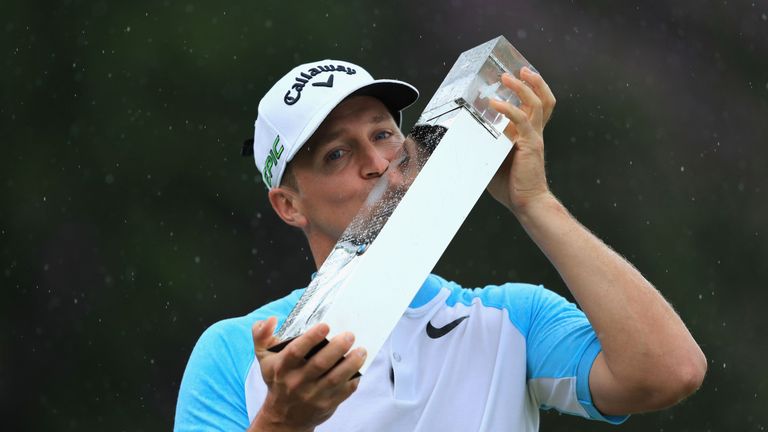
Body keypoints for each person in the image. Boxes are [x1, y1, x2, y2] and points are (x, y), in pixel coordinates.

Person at [174, 59, 706, 431]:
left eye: (384, 135)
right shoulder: (239, 350)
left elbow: (668, 373)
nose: (378, 165)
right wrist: (283, 422)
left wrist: (535, 202)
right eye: (336, 154)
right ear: (289, 205)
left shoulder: (510, 320)